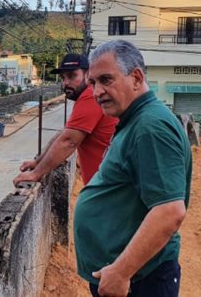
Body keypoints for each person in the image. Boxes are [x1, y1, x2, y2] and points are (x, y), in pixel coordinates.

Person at [75, 40, 192, 297]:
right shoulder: (135, 120)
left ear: (136, 78)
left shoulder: (151, 127)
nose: (96, 92)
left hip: (139, 279)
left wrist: (121, 272)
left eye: (106, 80)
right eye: (93, 83)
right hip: (130, 274)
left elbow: (169, 211)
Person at [13, 53, 117, 187]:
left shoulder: (90, 95)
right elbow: (65, 134)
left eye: (72, 76)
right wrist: (38, 162)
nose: (66, 83)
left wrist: (35, 174)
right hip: (106, 185)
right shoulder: (88, 96)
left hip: (108, 189)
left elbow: (68, 142)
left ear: (88, 75)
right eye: (63, 78)